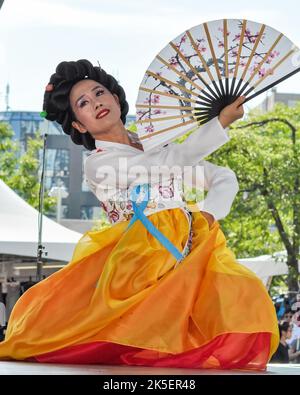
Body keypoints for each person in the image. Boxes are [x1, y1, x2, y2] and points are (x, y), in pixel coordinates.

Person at [0, 59, 279, 370]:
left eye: (99, 92)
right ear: (79, 124)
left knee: (243, 295)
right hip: (141, 259)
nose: (96, 103)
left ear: (116, 98)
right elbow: (167, 164)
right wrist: (220, 124)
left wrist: (209, 216)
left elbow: (223, 177)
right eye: (83, 103)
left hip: (190, 248)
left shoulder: (157, 145)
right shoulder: (99, 164)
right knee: (146, 341)